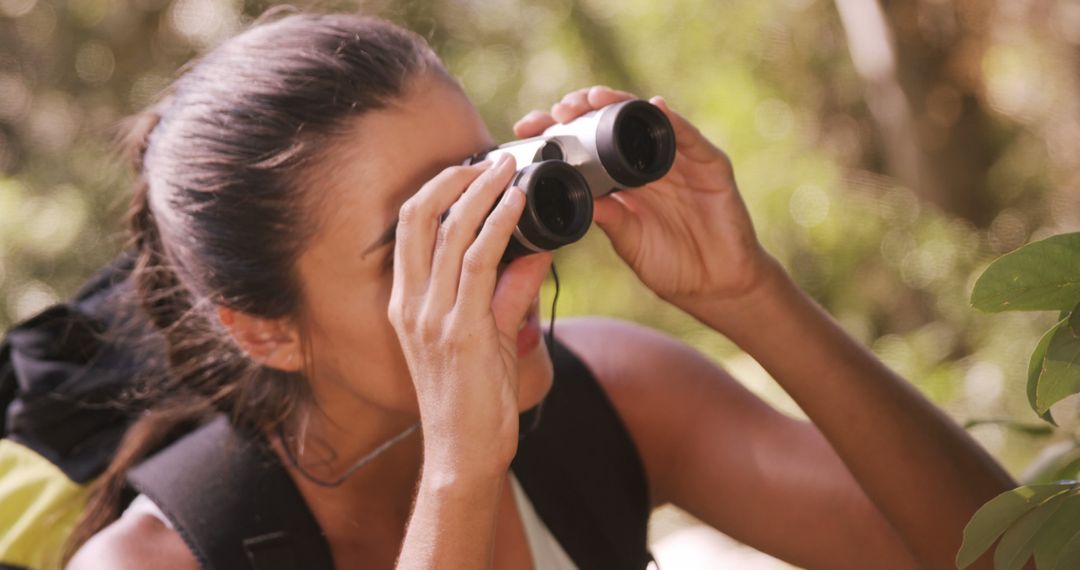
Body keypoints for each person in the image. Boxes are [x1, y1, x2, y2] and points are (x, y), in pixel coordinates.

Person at [63, 8, 1015, 569]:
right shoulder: (153, 563)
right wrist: (459, 477)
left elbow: (1008, 558)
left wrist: (748, 293)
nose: (504, 263)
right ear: (265, 331)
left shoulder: (617, 394)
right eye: (427, 244)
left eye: (495, 193)